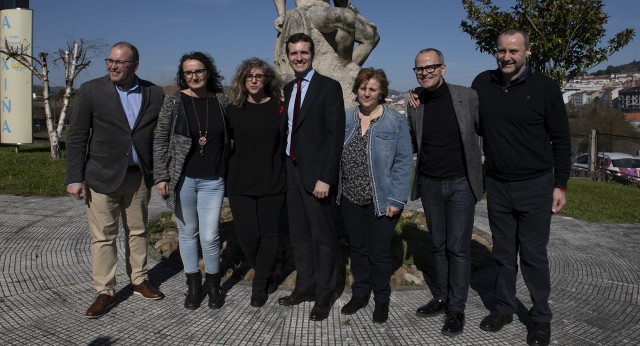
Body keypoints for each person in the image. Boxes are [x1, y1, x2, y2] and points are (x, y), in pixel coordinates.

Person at [472, 29, 571, 346]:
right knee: (502, 254)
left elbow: (561, 139)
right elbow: (462, 114)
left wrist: (561, 184)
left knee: (533, 256)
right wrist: (422, 95)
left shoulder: (545, 88)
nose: (507, 56)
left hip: (536, 185)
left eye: (514, 51)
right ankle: (503, 309)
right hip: (498, 185)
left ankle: (541, 318)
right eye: (501, 50)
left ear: (527, 52)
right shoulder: (482, 84)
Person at [65, 42, 165, 319]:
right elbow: (76, 137)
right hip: (101, 177)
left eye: (120, 62)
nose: (112, 65)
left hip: (138, 178)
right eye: (110, 60)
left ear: (135, 65)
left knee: (138, 231)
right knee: (104, 237)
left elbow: (164, 132)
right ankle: (105, 292)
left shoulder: (154, 93)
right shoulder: (91, 91)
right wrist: (74, 177)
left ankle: (139, 281)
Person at [407, 48, 484, 337]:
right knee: (438, 245)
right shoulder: (415, 102)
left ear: (443, 68)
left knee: (458, 248)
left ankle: (457, 309)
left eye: (431, 67)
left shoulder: (467, 97)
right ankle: (441, 297)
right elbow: (413, 141)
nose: (425, 72)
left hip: (461, 183)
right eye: (419, 69)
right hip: (429, 183)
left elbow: (484, 129)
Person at [276, 32, 346, 322]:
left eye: (304, 52)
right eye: (294, 53)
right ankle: (305, 287)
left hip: (317, 176)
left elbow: (334, 135)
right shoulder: (289, 87)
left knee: (323, 238)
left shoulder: (328, 87)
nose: (299, 57)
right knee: (301, 236)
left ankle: (325, 293)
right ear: (288, 56)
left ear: (312, 54)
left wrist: (326, 177)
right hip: (292, 171)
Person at [153, 52, 229, 310]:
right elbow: (160, 139)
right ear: (182, 75)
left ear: (208, 72)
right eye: (188, 72)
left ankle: (213, 285)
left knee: (209, 236)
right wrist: (161, 175)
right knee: (187, 234)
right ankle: (193, 287)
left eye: (199, 71)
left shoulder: (221, 100)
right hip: (182, 178)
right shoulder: (174, 101)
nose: (194, 76)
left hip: (213, 180)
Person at [337, 68, 412, 323]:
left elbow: (403, 162)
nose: (366, 93)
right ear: (357, 90)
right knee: (357, 249)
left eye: (372, 89)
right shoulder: (347, 118)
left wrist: (397, 199)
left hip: (382, 199)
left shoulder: (394, 120)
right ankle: (360, 294)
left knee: (379, 251)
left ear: (381, 92)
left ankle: (381, 298)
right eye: (362, 88)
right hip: (350, 197)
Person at [225, 58, 286, 308]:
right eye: (249, 76)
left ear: (266, 80)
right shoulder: (233, 109)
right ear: (242, 80)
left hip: (272, 180)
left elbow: (285, 145)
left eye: (259, 76)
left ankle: (259, 283)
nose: (253, 80)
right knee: (248, 236)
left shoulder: (280, 108)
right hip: (239, 181)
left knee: (269, 234)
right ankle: (268, 268)